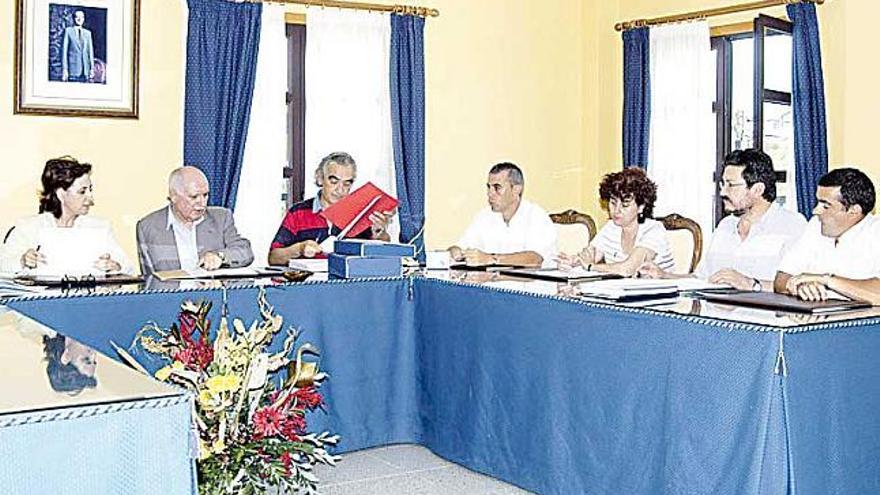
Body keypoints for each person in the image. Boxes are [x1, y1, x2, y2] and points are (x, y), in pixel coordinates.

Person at [640, 149, 806, 290]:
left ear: (757, 189)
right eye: (723, 184)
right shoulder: (725, 226)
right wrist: (663, 276)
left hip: (768, 322)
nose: (723, 192)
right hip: (718, 320)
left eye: (731, 185)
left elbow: (799, 286)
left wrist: (752, 285)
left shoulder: (792, 225)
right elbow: (701, 280)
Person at [0, 156, 133, 274]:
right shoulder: (28, 227)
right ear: (61, 194)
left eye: (90, 190)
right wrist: (23, 260)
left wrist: (114, 266)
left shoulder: (99, 227)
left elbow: (128, 267)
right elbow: (3, 265)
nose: (90, 197)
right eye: (82, 191)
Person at [774, 168, 880, 303]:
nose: (815, 211)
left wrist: (826, 280)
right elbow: (781, 278)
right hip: (814, 317)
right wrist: (800, 286)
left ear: (854, 210)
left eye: (825, 205)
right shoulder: (815, 226)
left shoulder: (876, 232)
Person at [268, 152, 393, 265]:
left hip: (348, 285)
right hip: (310, 286)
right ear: (320, 178)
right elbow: (273, 258)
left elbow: (382, 254)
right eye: (334, 181)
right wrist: (300, 249)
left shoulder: (359, 214)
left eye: (347, 183)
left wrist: (380, 233)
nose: (340, 190)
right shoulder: (298, 212)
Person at [136, 166, 254, 275]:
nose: (202, 203)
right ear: (174, 196)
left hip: (213, 295)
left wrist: (220, 256)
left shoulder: (221, 218)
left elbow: (245, 252)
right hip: (171, 296)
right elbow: (148, 279)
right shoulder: (147, 227)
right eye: (194, 197)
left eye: (205, 195)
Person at [559, 167, 673, 277]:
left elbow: (628, 269)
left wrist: (590, 267)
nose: (616, 210)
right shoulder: (611, 227)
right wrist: (574, 262)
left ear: (641, 207)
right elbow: (589, 255)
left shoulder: (654, 230)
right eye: (613, 203)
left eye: (625, 205)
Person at [448, 162, 557, 268]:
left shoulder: (536, 216)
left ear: (516, 189)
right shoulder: (484, 216)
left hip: (530, 284)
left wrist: (491, 259)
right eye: (489, 187)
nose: (490, 193)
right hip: (493, 283)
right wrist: (455, 252)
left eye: (497, 187)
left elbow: (535, 259)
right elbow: (462, 246)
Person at [62, 10, 94, 83]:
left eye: (82, 17)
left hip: (85, 70)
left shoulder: (88, 33)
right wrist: (65, 69)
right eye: (77, 17)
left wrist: (92, 68)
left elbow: (90, 52)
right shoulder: (68, 31)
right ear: (73, 18)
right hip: (73, 70)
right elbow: (64, 52)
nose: (79, 19)